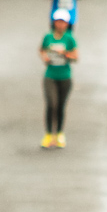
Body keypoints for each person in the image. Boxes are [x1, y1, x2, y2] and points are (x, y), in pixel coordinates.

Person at [38, 9, 77, 149]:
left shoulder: (69, 39)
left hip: (65, 77)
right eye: (58, 21)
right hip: (50, 76)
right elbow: (41, 49)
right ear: (54, 22)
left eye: (63, 22)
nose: (60, 24)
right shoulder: (48, 37)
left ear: (67, 24)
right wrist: (45, 58)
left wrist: (65, 54)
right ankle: (48, 134)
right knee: (51, 104)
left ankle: (59, 133)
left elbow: (76, 57)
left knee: (60, 106)